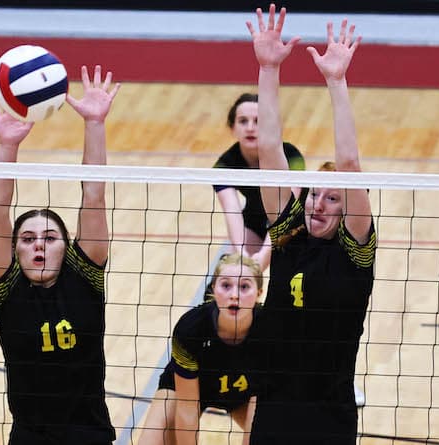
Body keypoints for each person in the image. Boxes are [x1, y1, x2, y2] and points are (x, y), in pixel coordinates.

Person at [246, 5, 376, 444]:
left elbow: (351, 164)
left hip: (329, 411)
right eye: (314, 194)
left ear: (346, 211)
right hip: (277, 404)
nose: (318, 204)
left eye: (332, 197)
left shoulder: (355, 252)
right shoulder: (289, 239)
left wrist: (336, 81)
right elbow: (268, 152)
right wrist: (268, 69)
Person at [0, 65, 120, 444]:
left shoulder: (85, 276)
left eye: (49, 237)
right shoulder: (6, 288)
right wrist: (7, 145)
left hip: (88, 433)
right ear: (15, 251)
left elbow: (94, 195)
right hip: (31, 436)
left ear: (67, 246)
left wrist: (95, 123)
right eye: (26, 239)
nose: (38, 244)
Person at [139, 254, 265, 445]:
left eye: (244, 286)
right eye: (226, 285)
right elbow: (187, 407)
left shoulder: (270, 328)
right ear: (213, 289)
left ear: (259, 293)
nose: (234, 295)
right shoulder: (191, 328)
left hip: (246, 394)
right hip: (192, 388)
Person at [213, 93, 305, 270]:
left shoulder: (291, 156)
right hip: (255, 219)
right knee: (234, 267)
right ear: (232, 128)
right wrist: (241, 254)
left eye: (258, 121)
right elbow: (232, 210)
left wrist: (263, 255)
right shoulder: (224, 164)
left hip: (295, 223)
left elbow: (286, 210)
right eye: (243, 121)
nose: (250, 128)